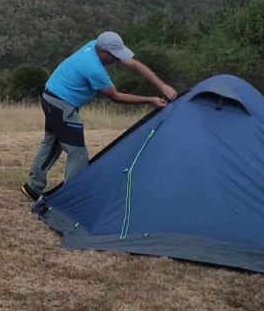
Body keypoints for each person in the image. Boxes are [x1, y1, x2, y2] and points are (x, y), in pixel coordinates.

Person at [20, 31, 177, 201]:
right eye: (115, 56)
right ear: (103, 51)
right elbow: (115, 96)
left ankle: (33, 187)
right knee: (78, 154)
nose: (118, 59)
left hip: (50, 98)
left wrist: (162, 85)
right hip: (61, 106)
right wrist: (150, 100)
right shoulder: (94, 69)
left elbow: (135, 65)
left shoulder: (94, 44)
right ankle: (71, 199)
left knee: (52, 144)